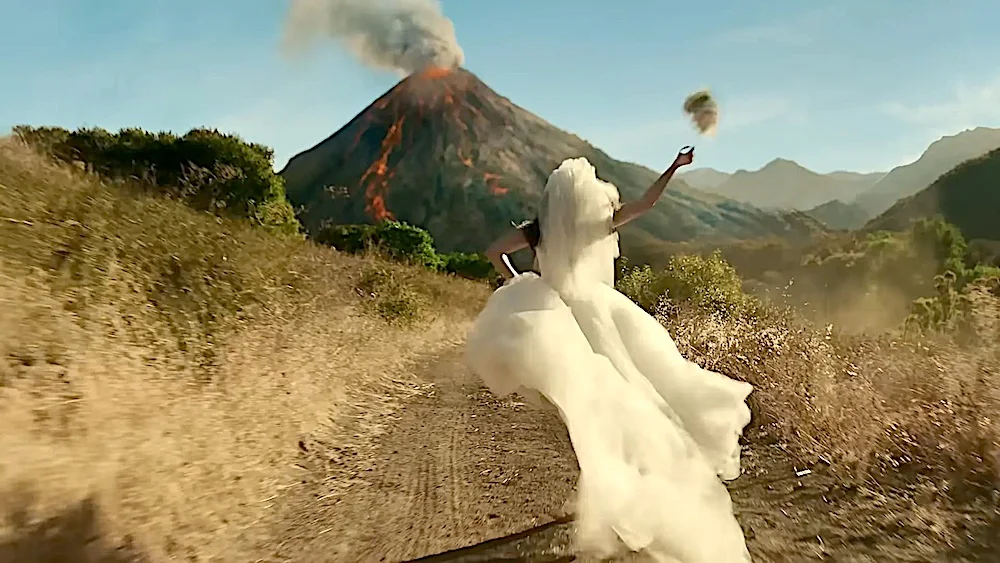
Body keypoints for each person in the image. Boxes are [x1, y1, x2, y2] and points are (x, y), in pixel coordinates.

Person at [464, 148, 754, 562]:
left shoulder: (536, 232)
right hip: (601, 315)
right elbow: (647, 204)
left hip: (555, 319)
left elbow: (494, 251)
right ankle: (631, 480)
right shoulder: (598, 224)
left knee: (577, 409)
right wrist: (673, 166)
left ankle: (606, 483)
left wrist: (525, 282)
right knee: (629, 396)